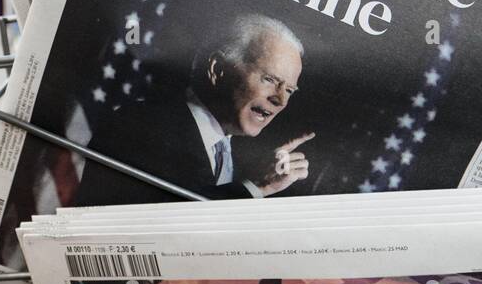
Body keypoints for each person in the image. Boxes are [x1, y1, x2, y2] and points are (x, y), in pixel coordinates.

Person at [72, 14, 316, 206]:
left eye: (290, 90)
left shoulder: (243, 157)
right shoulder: (138, 125)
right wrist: (259, 186)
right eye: (270, 79)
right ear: (218, 69)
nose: (280, 100)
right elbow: (161, 228)